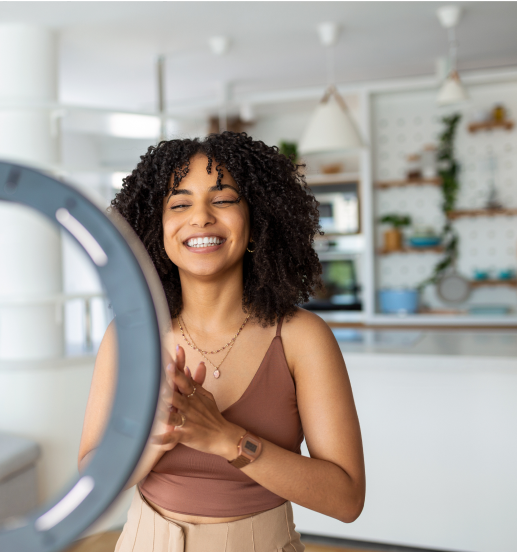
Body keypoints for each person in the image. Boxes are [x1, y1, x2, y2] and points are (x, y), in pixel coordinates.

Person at [79, 132, 365, 551]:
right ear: (157, 231)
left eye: (223, 199)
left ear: (256, 224)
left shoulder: (302, 338)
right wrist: (155, 437)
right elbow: (91, 478)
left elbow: (346, 499)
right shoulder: (127, 338)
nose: (200, 218)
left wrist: (226, 439)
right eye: (179, 204)